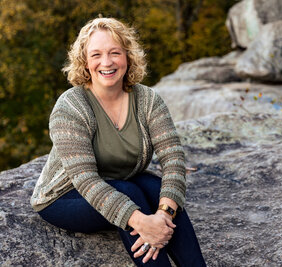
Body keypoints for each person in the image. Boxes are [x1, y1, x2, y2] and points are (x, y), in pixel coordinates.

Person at [30, 17, 206, 266]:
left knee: (157, 190)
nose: (106, 62)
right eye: (96, 55)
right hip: (66, 197)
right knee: (129, 193)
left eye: (115, 53)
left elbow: (173, 158)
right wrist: (142, 222)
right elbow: (86, 180)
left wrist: (163, 215)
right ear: (85, 61)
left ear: (128, 56)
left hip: (120, 181)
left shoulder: (148, 100)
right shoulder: (70, 106)